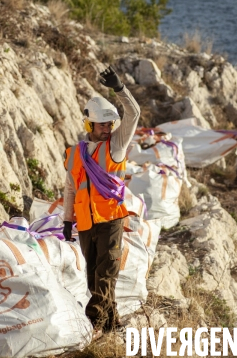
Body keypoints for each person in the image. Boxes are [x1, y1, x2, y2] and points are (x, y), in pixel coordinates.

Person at [62, 66, 140, 337]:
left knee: (106, 273)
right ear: (89, 125)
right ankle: (112, 323)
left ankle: (93, 324)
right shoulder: (74, 154)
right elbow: (71, 189)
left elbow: (134, 114)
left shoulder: (115, 146)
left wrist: (120, 88)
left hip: (111, 219)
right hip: (85, 222)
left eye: (110, 124)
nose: (107, 129)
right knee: (95, 276)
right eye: (102, 125)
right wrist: (66, 220)